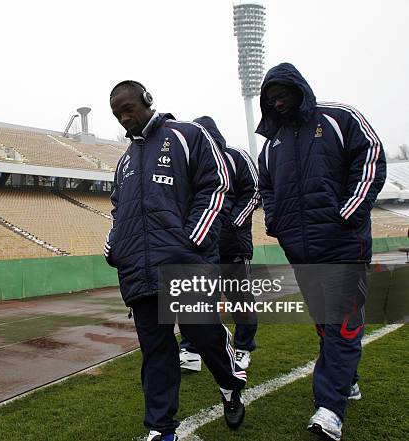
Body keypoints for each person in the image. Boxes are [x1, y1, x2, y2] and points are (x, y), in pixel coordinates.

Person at [105, 81, 247, 441]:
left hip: (182, 264)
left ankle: (230, 384)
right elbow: (118, 210)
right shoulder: (124, 162)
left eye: (128, 108)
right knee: (156, 351)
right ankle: (160, 427)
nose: (125, 118)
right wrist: (115, 247)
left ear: (147, 100)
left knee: (204, 335)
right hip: (138, 272)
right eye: (117, 114)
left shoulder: (187, 135)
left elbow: (215, 185)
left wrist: (192, 240)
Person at [256, 63, 386, 440]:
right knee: (325, 325)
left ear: (300, 89)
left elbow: (372, 157)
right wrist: (276, 221)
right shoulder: (272, 144)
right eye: (270, 98)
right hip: (302, 252)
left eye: (282, 93)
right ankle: (349, 380)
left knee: (343, 326)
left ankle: (329, 408)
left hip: (344, 246)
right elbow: (266, 188)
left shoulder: (338, 118)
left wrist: (348, 211)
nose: (277, 101)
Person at [179, 116, 260, 372]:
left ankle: (243, 348)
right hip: (204, 247)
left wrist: (233, 223)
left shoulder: (237, 157)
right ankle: (191, 351)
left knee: (240, 299)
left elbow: (255, 190)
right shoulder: (193, 162)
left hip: (233, 246)